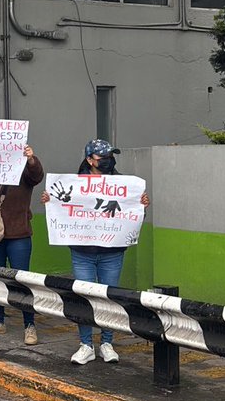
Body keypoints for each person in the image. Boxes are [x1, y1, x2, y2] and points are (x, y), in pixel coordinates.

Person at [41, 139, 149, 365]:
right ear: (90, 160)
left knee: (109, 299)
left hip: (112, 252)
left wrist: (140, 207)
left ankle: (107, 343)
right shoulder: (74, 184)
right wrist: (51, 202)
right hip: (82, 253)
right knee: (85, 298)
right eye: (103, 158)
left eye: (111, 156)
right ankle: (86, 344)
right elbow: (63, 210)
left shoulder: (123, 185)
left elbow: (130, 218)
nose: (108, 161)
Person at [0, 144, 44, 342]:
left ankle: (29, 325)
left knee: (22, 281)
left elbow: (37, 175)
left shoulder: (24, 169)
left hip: (19, 234)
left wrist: (31, 159)